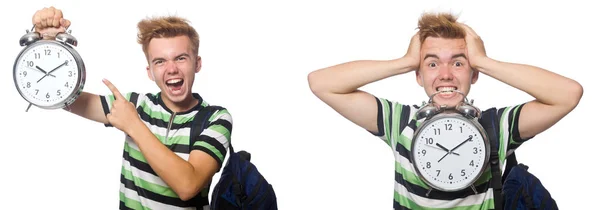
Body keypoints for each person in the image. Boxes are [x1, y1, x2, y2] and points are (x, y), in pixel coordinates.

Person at [307, 12, 583, 209]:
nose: (446, 75)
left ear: (474, 74)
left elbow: (568, 95)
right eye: (432, 64)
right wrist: (405, 61)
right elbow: (321, 83)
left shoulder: (495, 126)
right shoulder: (400, 123)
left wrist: (484, 61)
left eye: (459, 63)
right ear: (418, 75)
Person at [32, 6, 233, 209]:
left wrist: (133, 125)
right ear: (150, 72)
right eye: (160, 61)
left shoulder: (216, 118)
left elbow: (188, 186)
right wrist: (49, 43)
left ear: (197, 64)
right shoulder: (135, 105)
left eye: (181, 58)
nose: (172, 69)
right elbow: (65, 99)